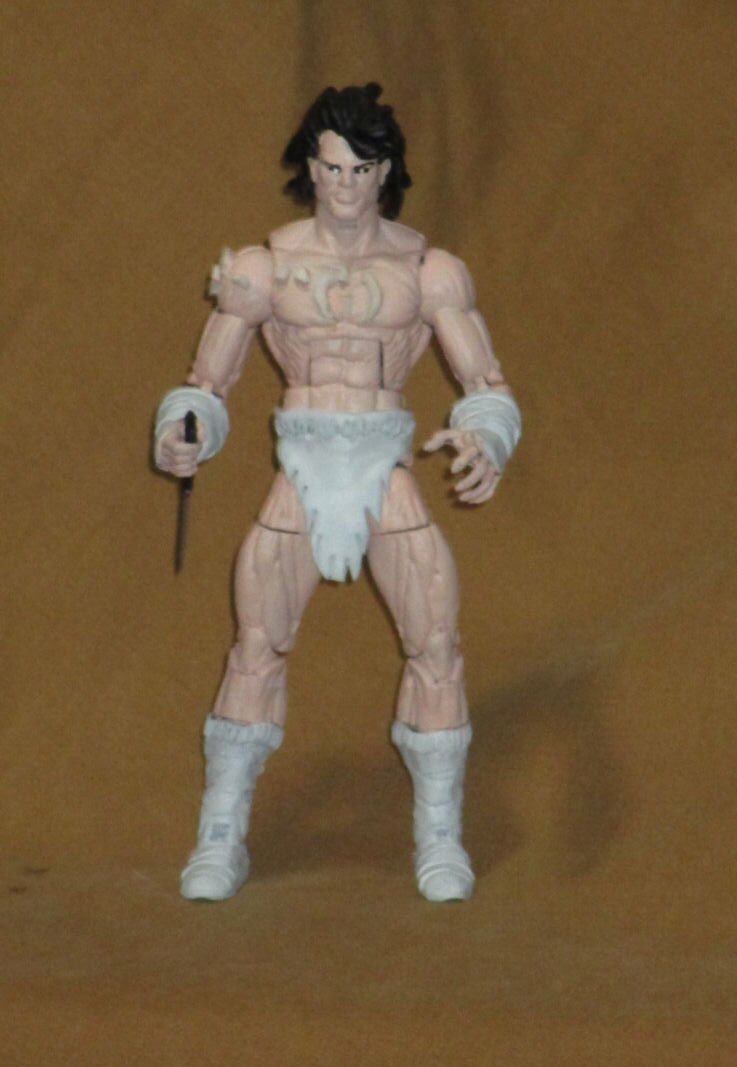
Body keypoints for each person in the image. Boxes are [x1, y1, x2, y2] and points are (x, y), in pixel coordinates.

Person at [154, 83, 520, 903]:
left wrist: (487, 437)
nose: (346, 185)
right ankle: (220, 832)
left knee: (436, 643)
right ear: (310, 171)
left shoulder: (428, 271)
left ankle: (439, 836)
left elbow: (487, 385)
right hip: (303, 466)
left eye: (361, 169)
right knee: (256, 644)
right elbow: (206, 385)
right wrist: (184, 428)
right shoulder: (263, 269)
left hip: (385, 465)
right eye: (332, 168)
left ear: (384, 171)